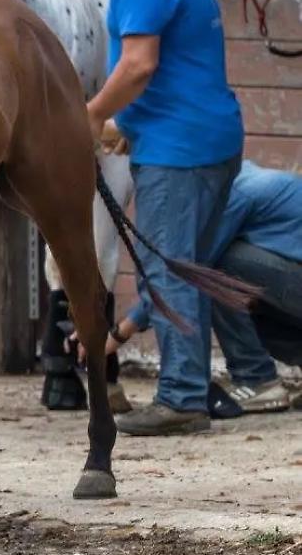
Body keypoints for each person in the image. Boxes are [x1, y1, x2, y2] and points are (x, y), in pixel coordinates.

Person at [54, 0, 245, 435]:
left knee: (170, 268)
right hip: (196, 136)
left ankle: (183, 396)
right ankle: (189, 387)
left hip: (180, 149)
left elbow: (139, 65)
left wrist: (90, 116)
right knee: (186, 264)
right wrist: (125, 125)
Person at [84, 157, 302, 413]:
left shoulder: (236, 194)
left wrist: (120, 333)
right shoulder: (238, 179)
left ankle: (257, 378)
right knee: (233, 276)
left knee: (214, 269)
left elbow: (186, 271)